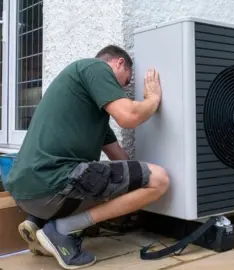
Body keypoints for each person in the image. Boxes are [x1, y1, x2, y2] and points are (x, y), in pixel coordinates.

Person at [4, 45, 169, 269]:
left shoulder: (90, 109)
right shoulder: (95, 67)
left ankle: (38, 222)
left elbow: (121, 159)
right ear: (118, 63)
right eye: (127, 81)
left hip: (27, 192)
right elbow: (129, 116)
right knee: (159, 180)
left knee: (121, 177)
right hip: (51, 185)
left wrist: (135, 183)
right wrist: (153, 99)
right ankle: (61, 230)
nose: (124, 88)